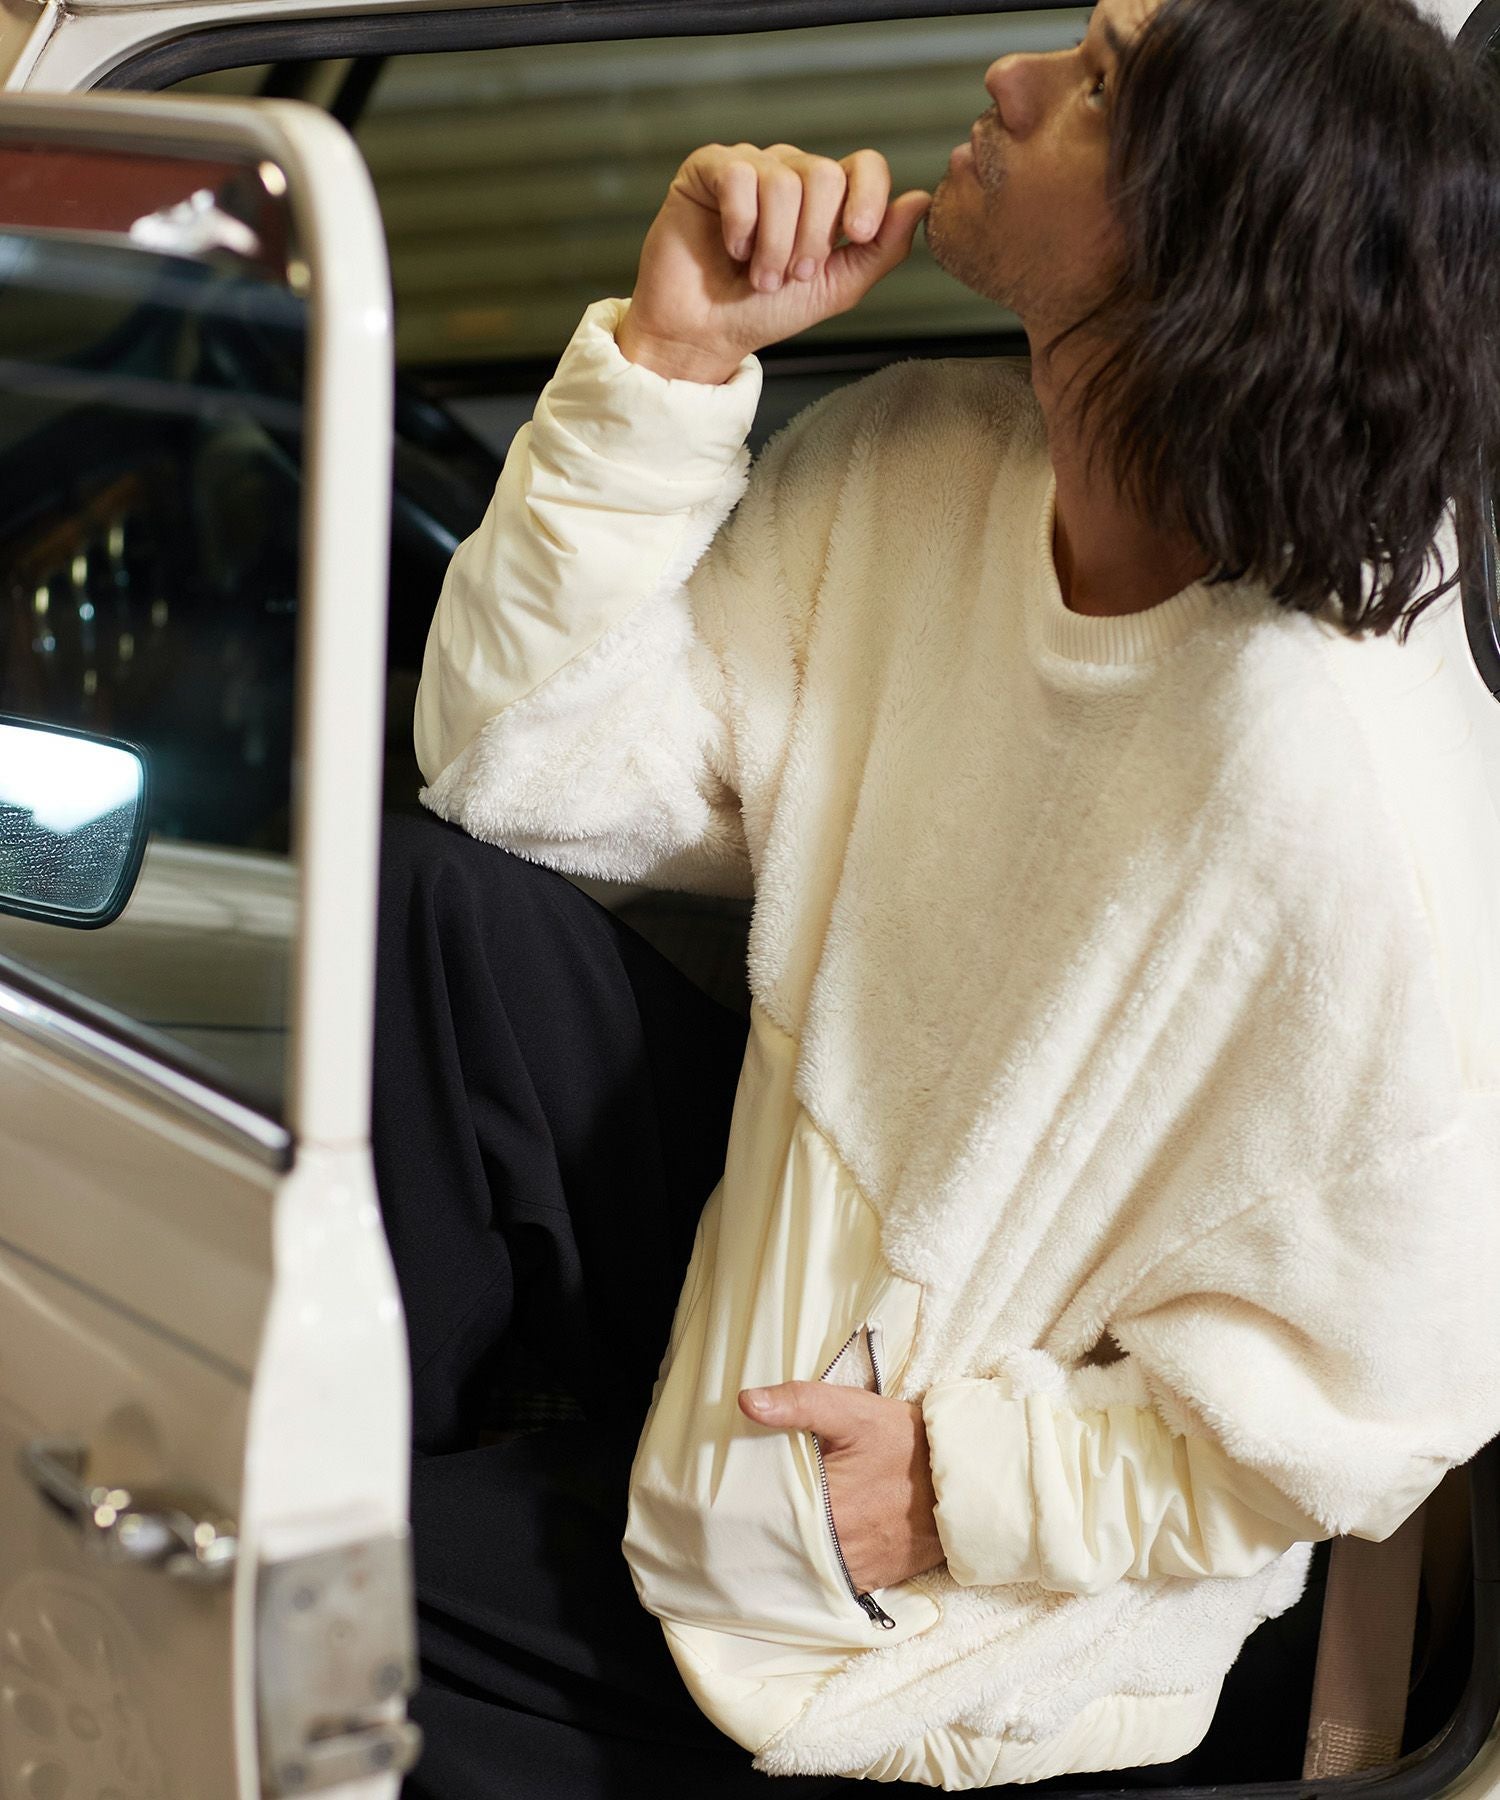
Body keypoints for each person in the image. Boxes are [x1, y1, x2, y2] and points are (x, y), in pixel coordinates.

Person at [377, 0, 1500, 1792]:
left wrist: (959, 1491)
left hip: (935, 1604)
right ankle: (356, 1468)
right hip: (787, 1282)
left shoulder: (1326, 794)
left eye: (1097, 84)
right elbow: (517, 769)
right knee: (433, 912)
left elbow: (1386, 1408)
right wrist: (677, 360)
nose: (1011, 80)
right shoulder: (921, 473)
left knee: (304, 1606)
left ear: (1208, 239)